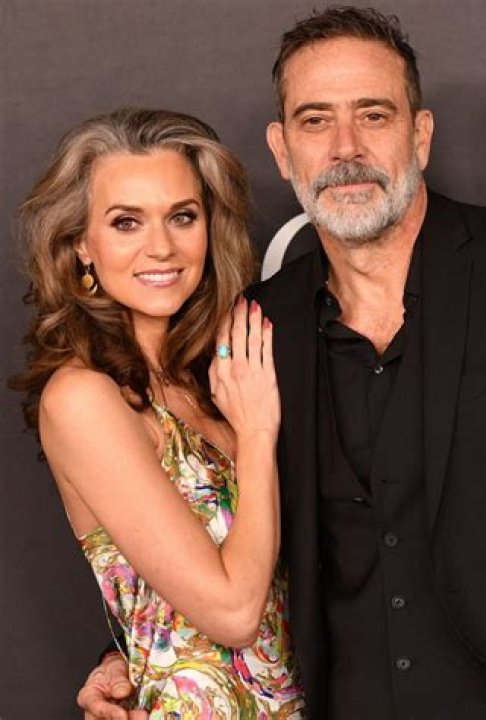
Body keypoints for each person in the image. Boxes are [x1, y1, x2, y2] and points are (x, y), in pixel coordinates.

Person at [79, 7, 486, 720]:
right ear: (282, 150)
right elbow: (223, 531)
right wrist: (127, 658)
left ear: (421, 134)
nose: (345, 148)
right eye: (315, 121)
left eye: (373, 115)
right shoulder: (255, 325)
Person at [12, 108, 304, 718]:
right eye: (126, 222)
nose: (162, 246)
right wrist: (257, 434)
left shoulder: (217, 381)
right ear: (81, 245)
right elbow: (233, 612)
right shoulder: (84, 398)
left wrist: (118, 656)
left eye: (182, 216)